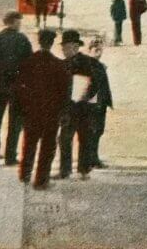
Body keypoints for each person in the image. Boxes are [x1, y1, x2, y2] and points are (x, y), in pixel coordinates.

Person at [16, 29, 70, 190]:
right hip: (51, 115)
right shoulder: (60, 65)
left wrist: (21, 109)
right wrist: (63, 113)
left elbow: (19, 88)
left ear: (38, 41)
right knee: (47, 147)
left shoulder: (27, 62)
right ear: (52, 43)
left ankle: (24, 175)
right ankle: (41, 180)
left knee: (29, 143)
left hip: (31, 113)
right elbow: (65, 94)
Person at [0, 11, 32, 166]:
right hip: (16, 88)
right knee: (15, 124)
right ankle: (10, 157)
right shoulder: (22, 39)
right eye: (19, 21)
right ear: (14, 22)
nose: (20, 24)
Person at [56, 30, 100, 181]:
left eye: (65, 46)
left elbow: (95, 85)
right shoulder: (62, 64)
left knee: (84, 138)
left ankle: (83, 170)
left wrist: (86, 98)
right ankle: (66, 170)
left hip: (83, 109)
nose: (62, 49)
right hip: (68, 109)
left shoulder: (86, 62)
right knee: (64, 139)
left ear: (74, 46)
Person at [86, 38, 113, 169]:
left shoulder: (99, 65)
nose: (99, 53)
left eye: (100, 50)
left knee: (98, 131)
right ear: (89, 50)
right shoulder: (87, 65)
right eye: (96, 50)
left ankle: (93, 158)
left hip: (101, 104)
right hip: (92, 105)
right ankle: (92, 159)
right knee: (93, 132)